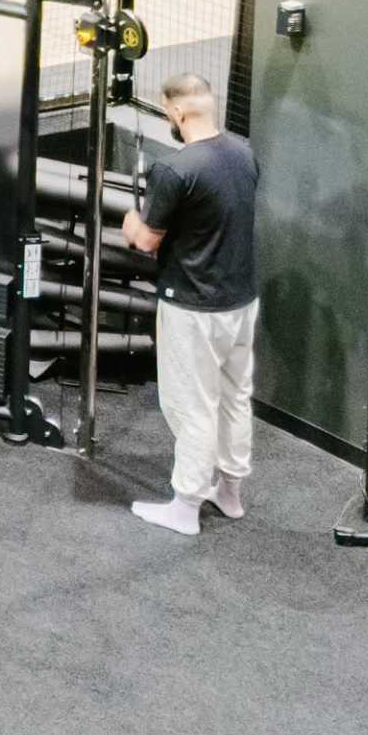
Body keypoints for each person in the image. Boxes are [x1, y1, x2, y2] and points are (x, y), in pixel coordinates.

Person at [124, 70, 260, 534]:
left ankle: (185, 505)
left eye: (168, 112)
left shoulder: (175, 169)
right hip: (240, 301)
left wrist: (129, 221)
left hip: (192, 307)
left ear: (177, 112)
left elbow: (146, 240)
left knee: (191, 405)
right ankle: (231, 492)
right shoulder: (243, 153)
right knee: (234, 398)